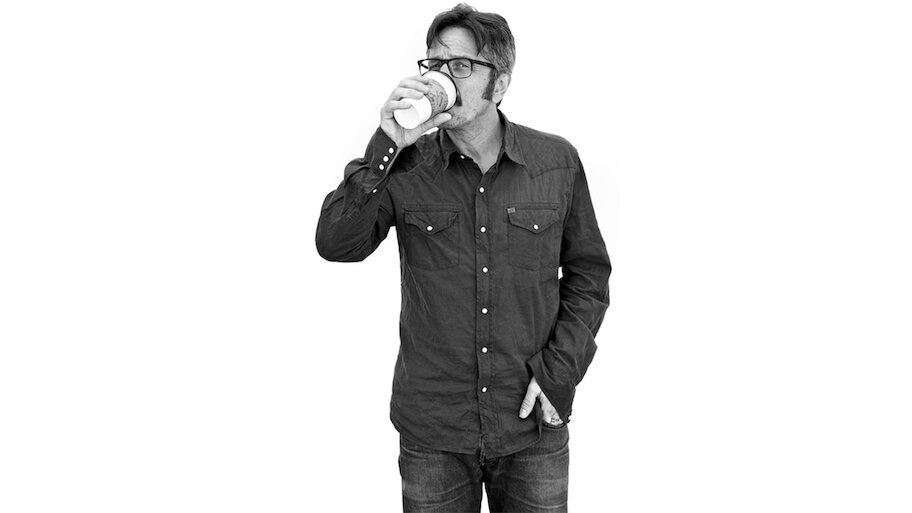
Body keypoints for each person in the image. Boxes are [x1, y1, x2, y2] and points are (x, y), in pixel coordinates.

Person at [316, 4, 611, 512]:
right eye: (434, 64)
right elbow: (337, 244)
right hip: (434, 431)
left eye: (460, 65)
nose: (440, 78)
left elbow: (588, 276)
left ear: (500, 83)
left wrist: (558, 373)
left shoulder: (555, 162)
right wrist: (387, 144)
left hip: (531, 425)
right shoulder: (405, 166)